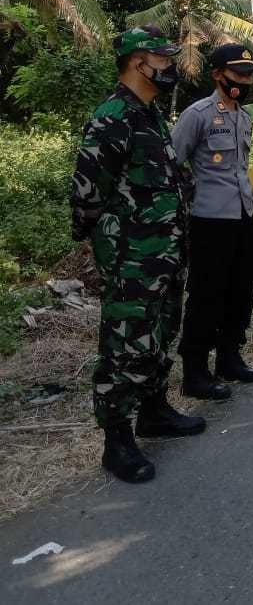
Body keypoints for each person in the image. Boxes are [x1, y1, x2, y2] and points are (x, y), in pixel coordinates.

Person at [71, 26, 205, 484]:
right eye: (163, 59)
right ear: (137, 62)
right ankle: (117, 441)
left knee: (162, 329)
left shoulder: (150, 116)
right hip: (132, 255)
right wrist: (111, 249)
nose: (169, 67)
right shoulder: (112, 117)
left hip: (165, 252)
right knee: (125, 342)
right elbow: (87, 194)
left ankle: (154, 410)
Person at [172, 44, 253, 401]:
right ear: (218, 75)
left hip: (242, 216)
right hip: (209, 219)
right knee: (207, 295)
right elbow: (172, 163)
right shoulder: (196, 114)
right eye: (237, 74)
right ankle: (195, 371)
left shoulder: (244, 117)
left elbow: (241, 171)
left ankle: (230, 357)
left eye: (248, 75)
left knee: (242, 289)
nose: (243, 81)